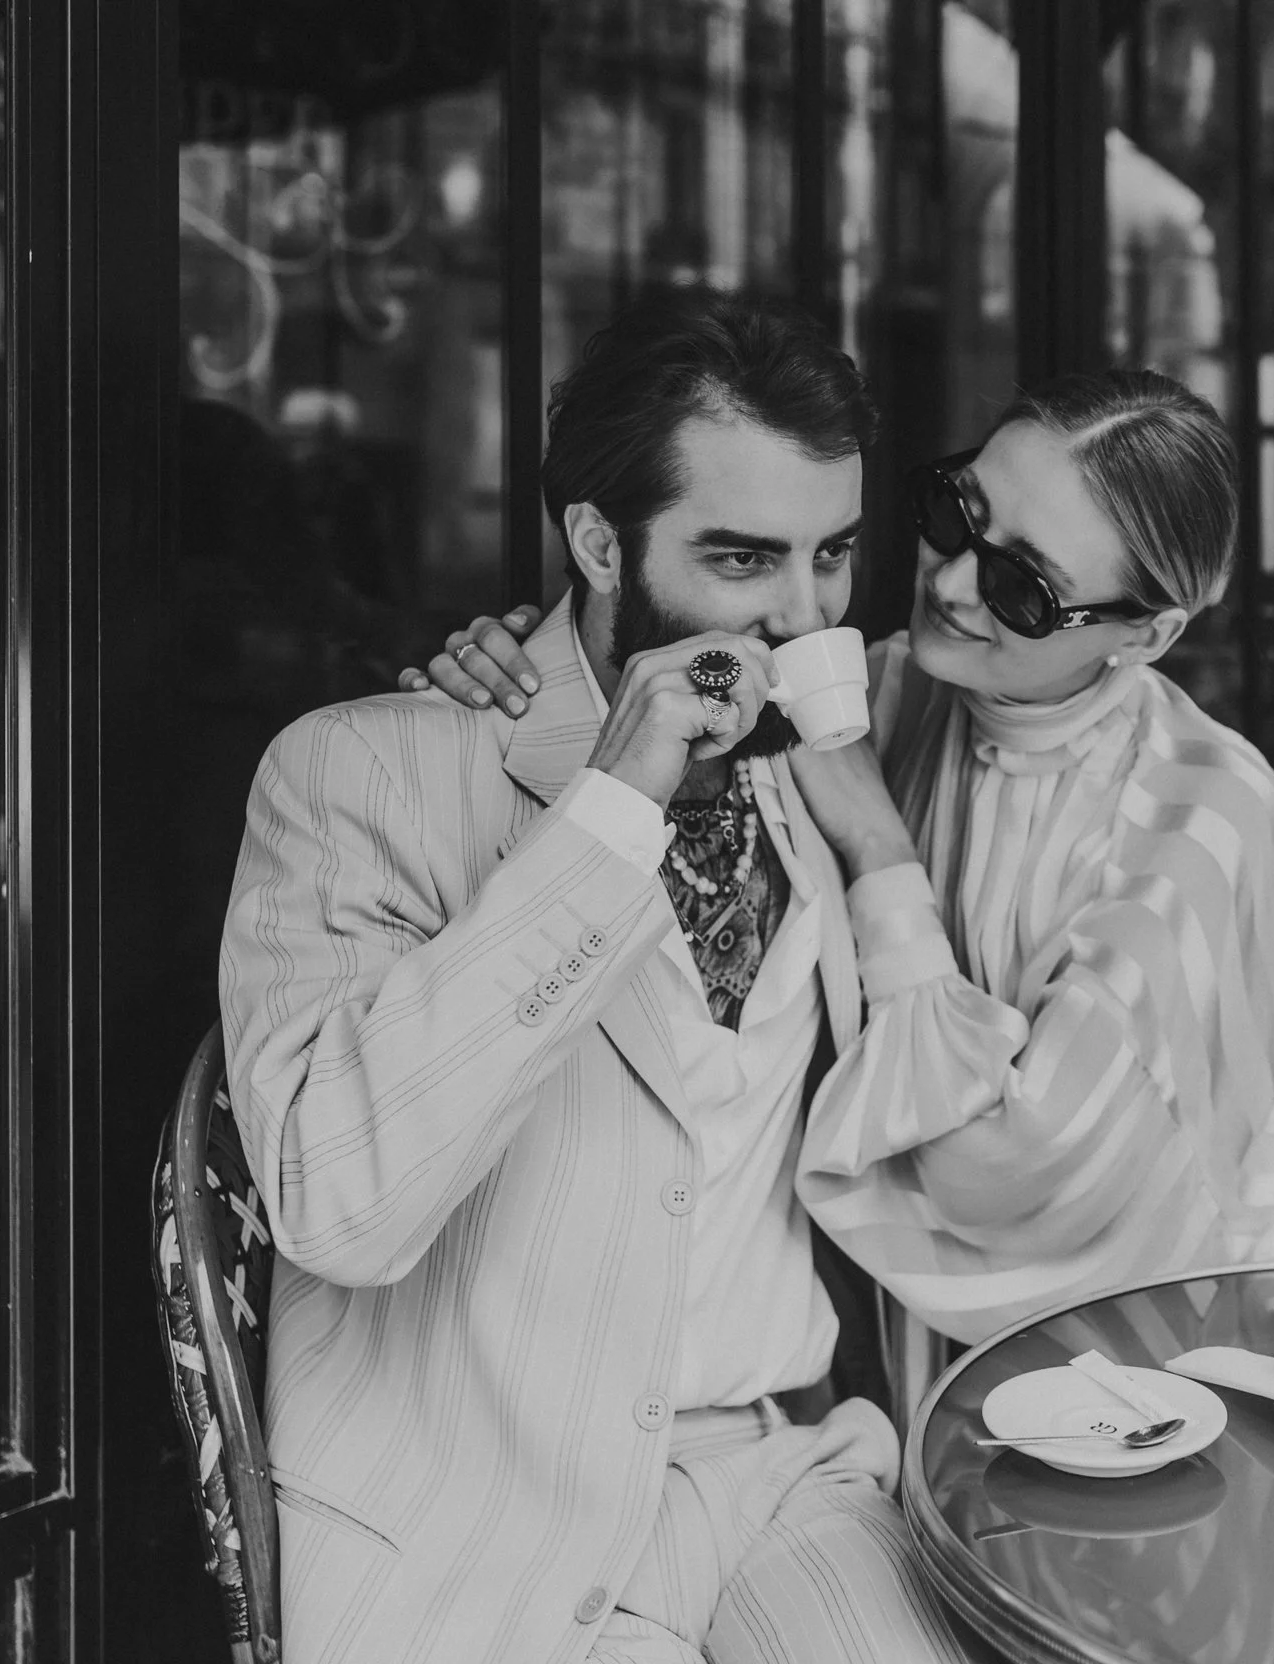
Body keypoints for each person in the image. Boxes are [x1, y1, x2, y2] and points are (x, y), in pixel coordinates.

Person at [220, 289, 975, 1664]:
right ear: (597, 542)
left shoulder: (814, 749)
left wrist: (877, 844)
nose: (804, 616)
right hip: (485, 1522)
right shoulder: (362, 769)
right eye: (741, 559)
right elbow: (339, 1199)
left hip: (776, 1473)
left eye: (833, 554)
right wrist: (612, 806)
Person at [411, 366, 1274, 1346]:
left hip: (1194, 1325)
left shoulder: (1205, 811)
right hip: (885, 1340)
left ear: (1146, 635)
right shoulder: (874, 690)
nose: (953, 583)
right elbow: (643, 720)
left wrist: (881, 851)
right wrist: (528, 669)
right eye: (955, 512)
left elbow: (1027, 1178)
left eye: (1024, 588)